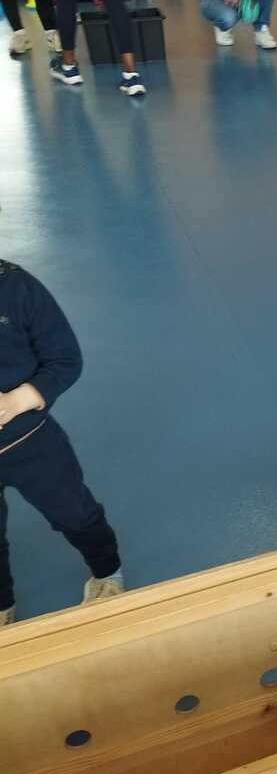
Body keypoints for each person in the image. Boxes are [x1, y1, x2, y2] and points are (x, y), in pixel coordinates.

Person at [0, 257, 124, 626]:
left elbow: (65, 359)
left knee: (75, 513)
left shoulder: (17, 288)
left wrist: (18, 400)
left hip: (31, 441)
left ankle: (107, 572)